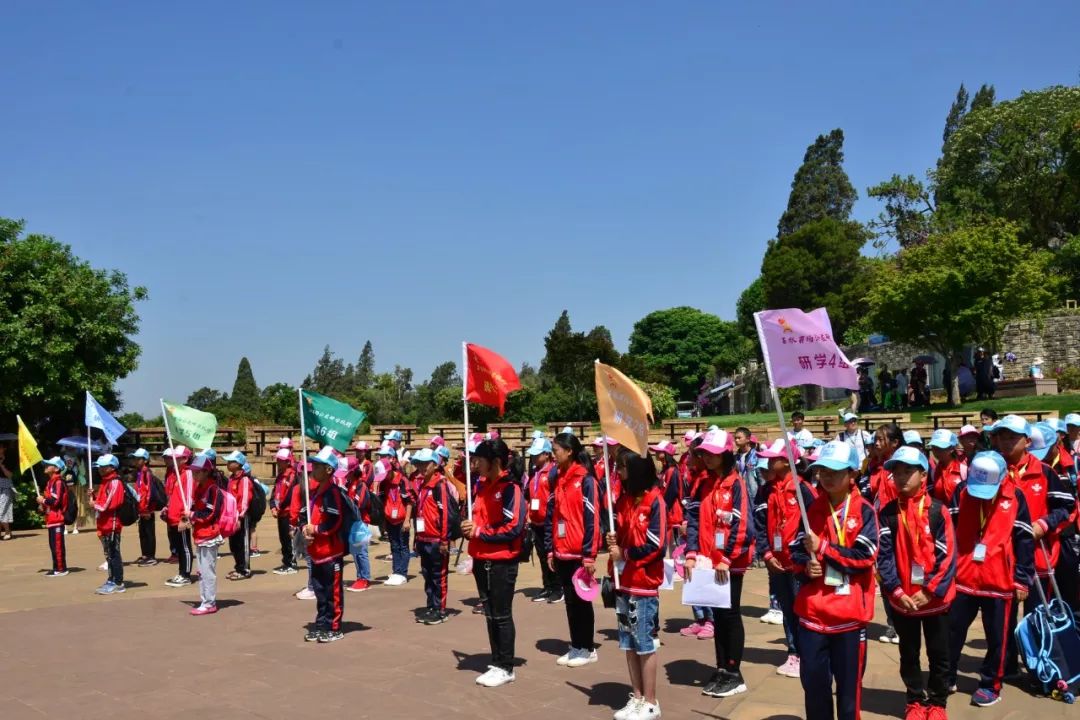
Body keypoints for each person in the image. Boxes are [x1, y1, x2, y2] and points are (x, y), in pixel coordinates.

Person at [791, 441, 879, 720]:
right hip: (812, 616)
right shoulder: (810, 511)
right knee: (814, 687)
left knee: (849, 692)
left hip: (849, 617)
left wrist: (825, 548)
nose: (826, 476)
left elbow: (865, 557)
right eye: (822, 471)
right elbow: (794, 553)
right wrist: (806, 567)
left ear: (853, 474)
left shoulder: (865, 511)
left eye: (835, 471)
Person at [946, 451, 1035, 707]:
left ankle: (990, 684)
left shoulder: (1015, 496)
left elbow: (1024, 539)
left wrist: (1021, 579)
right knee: (952, 631)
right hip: (963, 576)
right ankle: (947, 675)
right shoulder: (962, 492)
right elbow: (949, 530)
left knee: (997, 638)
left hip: (999, 579)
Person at [877, 446, 957, 720]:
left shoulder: (938, 511)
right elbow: (883, 556)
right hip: (904, 601)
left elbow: (947, 556)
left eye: (907, 471)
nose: (900, 477)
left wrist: (931, 589)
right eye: (896, 472)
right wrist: (896, 591)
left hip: (934, 599)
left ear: (923, 475)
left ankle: (937, 702)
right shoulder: (888, 513)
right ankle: (914, 699)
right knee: (908, 653)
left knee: (939, 654)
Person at [999, 419, 1074, 678]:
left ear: (1027, 441)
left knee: (1037, 616)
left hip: (1039, 557)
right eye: (1002, 437)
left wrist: (1044, 523)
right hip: (1002, 559)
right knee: (1004, 620)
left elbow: (1067, 507)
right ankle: (1005, 666)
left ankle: (1041, 668)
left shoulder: (1044, 472)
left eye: (1013, 437)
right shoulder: (993, 470)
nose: (1007, 442)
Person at [685, 429, 755, 698]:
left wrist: (726, 558)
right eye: (705, 453)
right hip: (706, 561)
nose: (708, 458)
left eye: (714, 453)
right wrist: (691, 553)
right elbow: (692, 521)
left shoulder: (736, 483)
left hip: (729, 563)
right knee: (717, 615)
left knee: (730, 614)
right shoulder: (704, 484)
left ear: (726, 454)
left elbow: (743, 525)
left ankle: (735, 672)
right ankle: (722, 667)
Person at [462, 439, 528, 688]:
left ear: (496, 462)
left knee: (501, 614)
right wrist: (468, 527)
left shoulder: (511, 489)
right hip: (482, 558)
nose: (475, 464)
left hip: (501, 561)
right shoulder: (482, 487)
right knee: (490, 614)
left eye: (479, 459)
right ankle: (497, 660)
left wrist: (479, 532)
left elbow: (513, 527)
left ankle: (506, 665)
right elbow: (478, 519)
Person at [606, 450, 666, 720]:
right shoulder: (624, 500)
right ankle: (637, 696)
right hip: (623, 581)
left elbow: (656, 546)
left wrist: (626, 554)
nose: (618, 472)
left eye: (622, 467)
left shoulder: (655, 502)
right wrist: (612, 538)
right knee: (628, 642)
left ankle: (651, 701)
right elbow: (622, 535)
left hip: (644, 583)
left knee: (644, 642)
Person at [754, 439, 816, 678]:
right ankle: (793, 653)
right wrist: (767, 553)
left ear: (789, 460)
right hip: (776, 562)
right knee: (787, 609)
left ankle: (808, 652)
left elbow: (814, 526)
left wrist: (803, 557)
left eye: (774, 457)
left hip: (798, 563)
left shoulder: (804, 490)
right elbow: (760, 524)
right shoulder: (766, 490)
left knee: (803, 608)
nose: (769, 460)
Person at [545, 432, 601, 668]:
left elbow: (592, 519)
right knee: (569, 600)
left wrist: (589, 554)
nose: (552, 455)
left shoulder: (586, 480)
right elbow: (553, 516)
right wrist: (550, 549)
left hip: (580, 553)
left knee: (581, 601)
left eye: (556, 450)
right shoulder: (558, 478)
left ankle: (587, 648)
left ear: (569, 451)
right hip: (562, 551)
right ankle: (576, 645)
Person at [302, 447, 348, 643]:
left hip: (331, 552)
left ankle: (334, 626)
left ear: (329, 470)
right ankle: (321, 623)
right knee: (320, 591)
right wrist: (305, 528)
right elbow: (310, 516)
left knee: (332, 592)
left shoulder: (332, 492)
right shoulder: (316, 492)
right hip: (317, 552)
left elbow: (334, 521)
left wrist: (317, 530)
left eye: (318, 466)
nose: (313, 468)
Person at [411, 448, 452, 624]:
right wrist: (416, 538)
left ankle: (440, 609)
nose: (421, 467)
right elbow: (418, 513)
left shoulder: (440, 485)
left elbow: (445, 515)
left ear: (434, 465)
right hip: (423, 538)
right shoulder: (421, 485)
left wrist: (444, 539)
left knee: (438, 575)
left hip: (437, 540)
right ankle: (431, 606)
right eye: (418, 464)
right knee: (427, 575)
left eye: (425, 463)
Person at [180, 453, 224, 616]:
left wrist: (191, 515)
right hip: (200, 534)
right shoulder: (200, 488)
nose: (194, 474)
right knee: (201, 570)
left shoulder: (213, 489)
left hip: (209, 535)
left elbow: (210, 514)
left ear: (206, 471)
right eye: (193, 471)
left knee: (207, 571)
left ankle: (209, 602)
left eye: (197, 471)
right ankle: (205, 600)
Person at [525, 437, 561, 603]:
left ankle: (557, 588)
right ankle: (547, 586)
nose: (533, 457)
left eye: (537, 454)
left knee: (551, 554)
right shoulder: (535, 472)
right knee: (541, 555)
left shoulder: (554, 472)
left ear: (547, 454)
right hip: (536, 521)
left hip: (550, 522)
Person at [92, 454, 126, 595]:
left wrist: (94, 504)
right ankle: (111, 579)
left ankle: (118, 582)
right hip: (104, 523)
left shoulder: (114, 482)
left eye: (103, 466)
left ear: (112, 467)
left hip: (112, 523)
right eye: (100, 466)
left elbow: (110, 504)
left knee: (114, 553)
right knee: (109, 554)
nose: (100, 468)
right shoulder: (105, 482)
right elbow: (103, 500)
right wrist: (94, 497)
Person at [380, 444, 412, 586]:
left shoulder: (402, 480)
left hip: (401, 519)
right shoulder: (383, 482)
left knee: (403, 546)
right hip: (389, 519)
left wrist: (407, 520)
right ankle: (396, 571)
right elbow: (381, 501)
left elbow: (409, 501)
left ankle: (402, 573)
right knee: (393, 546)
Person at [163, 446, 195, 587]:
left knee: (185, 547)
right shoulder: (177, 473)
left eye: (176, 458)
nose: (173, 460)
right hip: (173, 517)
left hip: (181, 518)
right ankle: (181, 572)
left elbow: (188, 498)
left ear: (185, 459)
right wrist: (168, 508)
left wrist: (184, 518)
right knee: (179, 546)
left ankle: (186, 575)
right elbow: (174, 496)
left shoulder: (187, 474)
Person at [37, 457, 70, 576]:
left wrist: (43, 500)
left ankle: (61, 568)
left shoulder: (58, 482)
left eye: (49, 464)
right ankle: (57, 567)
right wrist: (43, 504)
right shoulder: (51, 482)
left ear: (56, 468)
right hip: (51, 518)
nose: (45, 466)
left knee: (57, 544)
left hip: (57, 518)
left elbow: (56, 502)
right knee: (53, 545)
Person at [223, 451, 254, 581]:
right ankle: (238, 566)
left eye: (231, 462)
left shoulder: (244, 479)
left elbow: (245, 500)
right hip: (232, 517)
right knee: (234, 544)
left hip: (241, 517)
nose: (228, 464)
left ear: (238, 464)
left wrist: (240, 517)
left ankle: (244, 569)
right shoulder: (231, 479)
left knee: (242, 543)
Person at [270, 448, 299, 575]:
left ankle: (291, 563)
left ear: (288, 462)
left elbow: (290, 495)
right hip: (280, 512)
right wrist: (272, 506)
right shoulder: (280, 476)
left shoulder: (293, 475)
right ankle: (286, 562)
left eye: (281, 461)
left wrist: (279, 507)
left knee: (288, 539)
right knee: (283, 539)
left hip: (288, 512)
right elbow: (274, 493)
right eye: (277, 460)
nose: (278, 463)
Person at [129, 448, 158, 566]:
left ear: (145, 460)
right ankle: (145, 554)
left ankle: (151, 556)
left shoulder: (147, 473)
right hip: (141, 508)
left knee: (149, 532)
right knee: (142, 532)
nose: (135, 461)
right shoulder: (140, 472)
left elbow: (149, 492)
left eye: (138, 459)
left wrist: (146, 509)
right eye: (134, 458)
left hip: (147, 509)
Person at [927, 431, 963, 505]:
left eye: (940, 448)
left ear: (952, 448)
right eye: (934, 447)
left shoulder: (963, 469)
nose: (936, 452)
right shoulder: (934, 472)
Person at [0, 444, 14, 540]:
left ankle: (7, 531)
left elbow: (9, 475)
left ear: (4, 448)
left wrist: (1, 465)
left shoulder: (8, 460)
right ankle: (5, 532)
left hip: (5, 487)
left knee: (3, 509)